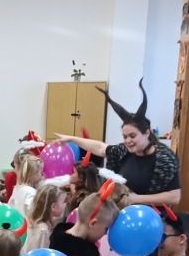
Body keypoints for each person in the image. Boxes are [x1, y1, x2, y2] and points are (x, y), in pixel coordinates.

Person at [54, 80, 180, 208]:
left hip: (150, 216)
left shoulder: (164, 159)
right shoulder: (123, 151)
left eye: (133, 136)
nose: (128, 141)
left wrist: (137, 198)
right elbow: (100, 148)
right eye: (125, 136)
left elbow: (175, 197)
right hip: (122, 213)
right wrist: (71, 139)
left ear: (147, 133)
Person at [22, 182, 66, 254]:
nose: (65, 205)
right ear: (53, 207)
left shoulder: (36, 223)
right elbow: (40, 255)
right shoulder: (43, 230)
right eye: (64, 202)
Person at [6, 153, 42, 220]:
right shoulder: (32, 193)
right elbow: (34, 216)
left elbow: (10, 205)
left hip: (16, 222)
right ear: (33, 174)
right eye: (41, 172)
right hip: (27, 224)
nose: (42, 175)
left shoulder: (17, 188)